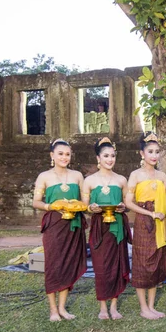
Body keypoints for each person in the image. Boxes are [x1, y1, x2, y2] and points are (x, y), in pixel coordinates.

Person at [32, 139, 87, 322]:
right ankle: (53, 310)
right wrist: (53, 207)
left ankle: (63, 308)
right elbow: (36, 202)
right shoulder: (44, 176)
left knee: (69, 264)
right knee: (54, 265)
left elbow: (84, 203)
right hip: (54, 224)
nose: (64, 157)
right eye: (60, 154)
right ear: (52, 156)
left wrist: (82, 207)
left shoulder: (77, 176)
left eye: (67, 154)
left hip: (74, 225)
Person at [82, 137, 130, 320]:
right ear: (98, 158)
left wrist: (122, 208)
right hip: (99, 228)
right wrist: (91, 209)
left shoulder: (121, 180)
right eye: (106, 156)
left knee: (117, 266)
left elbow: (126, 203)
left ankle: (115, 305)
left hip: (117, 227)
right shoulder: (90, 181)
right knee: (101, 267)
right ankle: (103, 306)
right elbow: (85, 206)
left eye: (112, 156)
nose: (110, 159)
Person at [125, 132, 166, 320]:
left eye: (157, 151)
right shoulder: (135, 175)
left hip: (160, 223)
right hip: (144, 222)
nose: (154, 155)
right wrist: (149, 213)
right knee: (143, 263)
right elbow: (128, 202)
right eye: (150, 151)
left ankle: (151, 306)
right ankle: (143, 307)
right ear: (141, 154)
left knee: (156, 263)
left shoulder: (162, 176)